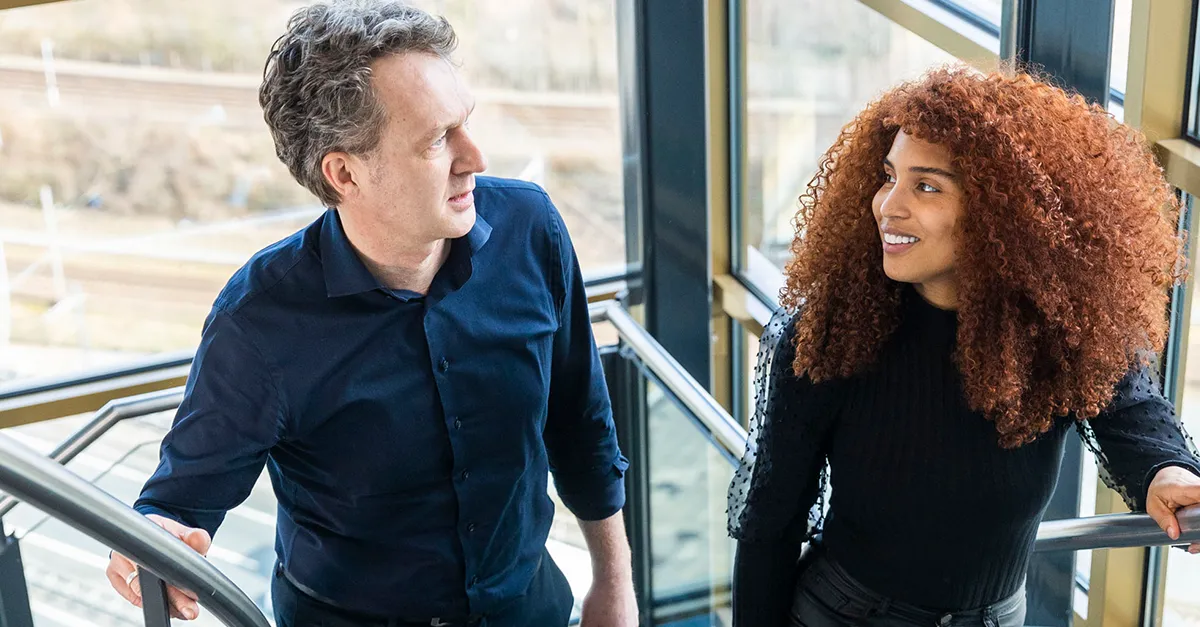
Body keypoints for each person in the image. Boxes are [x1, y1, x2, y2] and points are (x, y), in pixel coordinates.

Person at [102, 3, 638, 626]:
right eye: (437, 140)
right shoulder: (260, 320)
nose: (476, 157)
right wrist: (152, 542)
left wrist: (613, 583)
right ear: (345, 172)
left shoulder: (531, 228)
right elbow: (178, 505)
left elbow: (581, 421)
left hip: (528, 606)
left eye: (464, 123)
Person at [727, 66, 1200, 627]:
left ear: (1003, 213)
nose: (888, 205)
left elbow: (1131, 410)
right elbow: (770, 528)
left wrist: (1167, 471)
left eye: (926, 186)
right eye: (889, 176)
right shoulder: (830, 331)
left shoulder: (1057, 329)